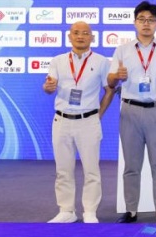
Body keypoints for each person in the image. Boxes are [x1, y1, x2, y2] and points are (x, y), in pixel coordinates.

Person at [107, 1, 156, 224]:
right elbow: (110, 81)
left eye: (151, 20)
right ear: (134, 22)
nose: (146, 24)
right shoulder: (122, 50)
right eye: (142, 19)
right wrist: (117, 76)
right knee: (131, 165)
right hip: (130, 111)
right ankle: (131, 210)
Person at [43, 21, 116, 224]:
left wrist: (98, 114)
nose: (80, 36)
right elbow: (49, 86)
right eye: (76, 33)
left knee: (91, 170)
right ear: (69, 36)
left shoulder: (102, 62)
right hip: (62, 120)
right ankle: (66, 210)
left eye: (85, 33)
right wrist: (48, 87)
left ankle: (90, 211)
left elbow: (110, 90)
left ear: (92, 37)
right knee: (63, 170)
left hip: (88, 121)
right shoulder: (58, 61)